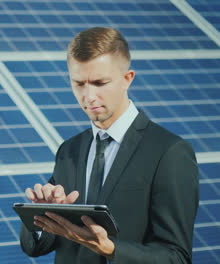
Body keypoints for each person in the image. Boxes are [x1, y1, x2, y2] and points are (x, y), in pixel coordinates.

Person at [20, 27, 199, 263]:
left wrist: (111, 248)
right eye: (79, 84)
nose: (89, 96)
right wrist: (44, 215)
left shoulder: (169, 152)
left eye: (99, 82)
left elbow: (176, 257)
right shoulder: (69, 150)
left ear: (127, 79)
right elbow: (35, 248)